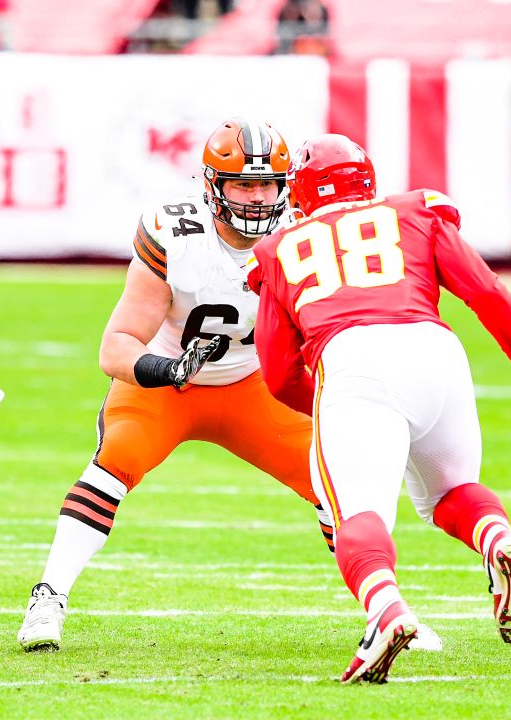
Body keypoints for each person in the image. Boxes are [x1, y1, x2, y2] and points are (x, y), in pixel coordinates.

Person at [247, 134, 511, 683]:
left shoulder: (281, 247)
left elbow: (279, 373)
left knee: (358, 514)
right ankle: (498, 537)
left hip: (353, 356)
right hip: (436, 350)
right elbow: (484, 289)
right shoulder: (414, 212)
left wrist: (339, 412)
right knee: (449, 494)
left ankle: (386, 612)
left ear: (302, 192)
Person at [17, 118, 334, 652]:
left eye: (268, 184)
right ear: (213, 186)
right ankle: (48, 597)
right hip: (167, 382)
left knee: (336, 481)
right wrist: (170, 371)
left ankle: (386, 607)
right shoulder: (175, 233)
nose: (258, 198)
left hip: (253, 384)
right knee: (115, 461)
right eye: (243, 184)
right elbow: (115, 345)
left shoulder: (304, 235)